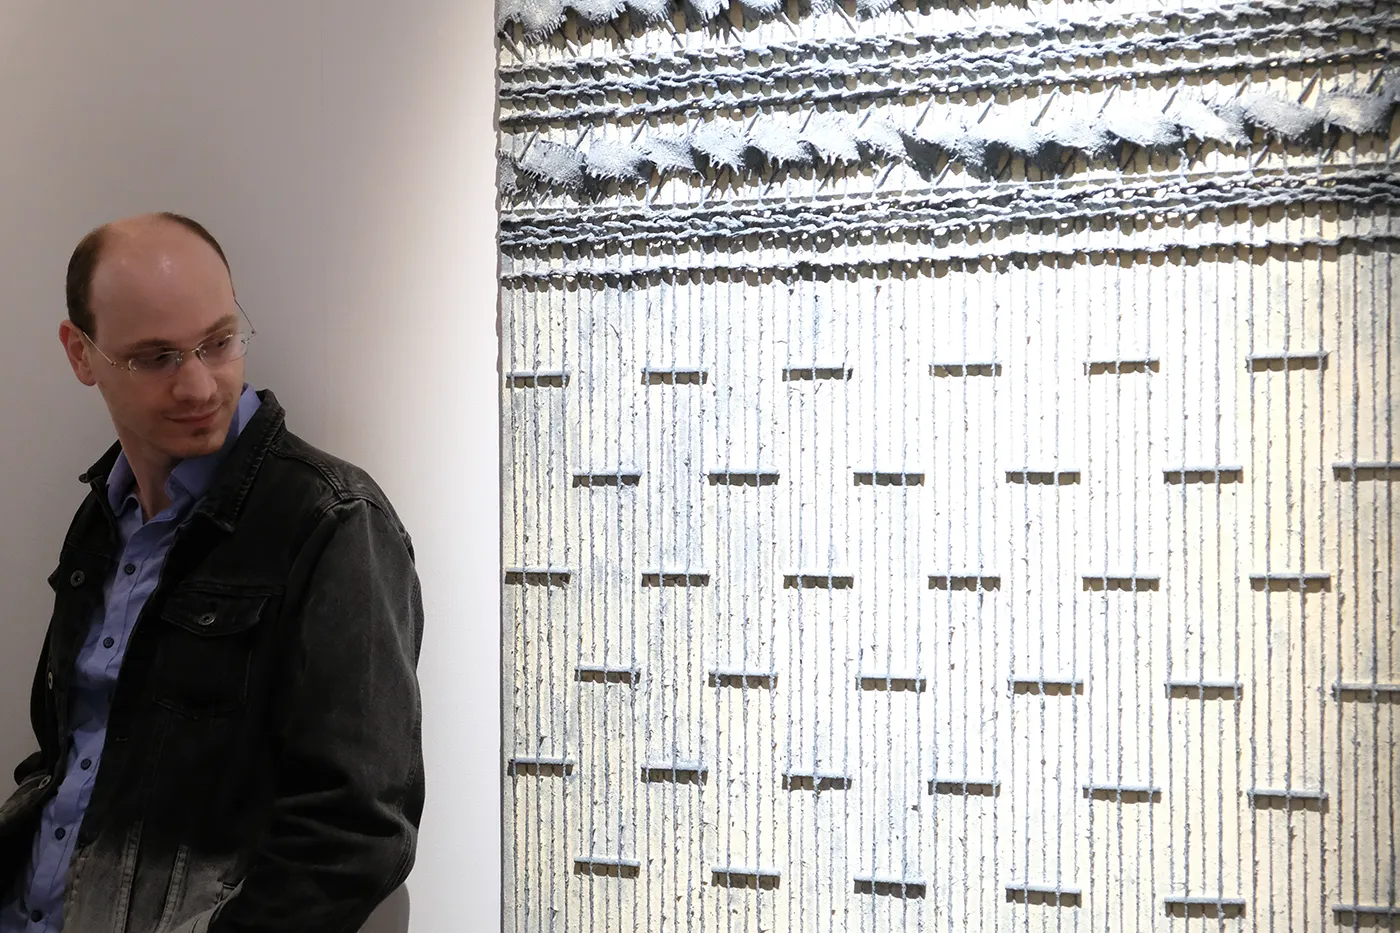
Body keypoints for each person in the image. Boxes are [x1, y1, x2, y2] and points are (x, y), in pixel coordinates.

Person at [0, 213, 425, 933]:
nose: (199, 386)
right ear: (81, 353)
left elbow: (355, 831)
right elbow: (69, 753)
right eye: (156, 358)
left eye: (219, 342)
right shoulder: (102, 516)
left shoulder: (332, 522)